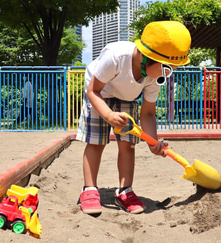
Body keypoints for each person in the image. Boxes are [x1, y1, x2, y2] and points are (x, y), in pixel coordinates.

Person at [76, 21, 191, 215]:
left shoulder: (154, 77)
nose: (169, 74)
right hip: (99, 92)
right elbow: (93, 90)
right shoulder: (116, 56)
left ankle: (124, 191)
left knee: (128, 144)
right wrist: (108, 115)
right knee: (96, 142)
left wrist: (153, 142)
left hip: (127, 96)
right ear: (147, 58)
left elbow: (147, 113)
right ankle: (89, 189)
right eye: (168, 68)